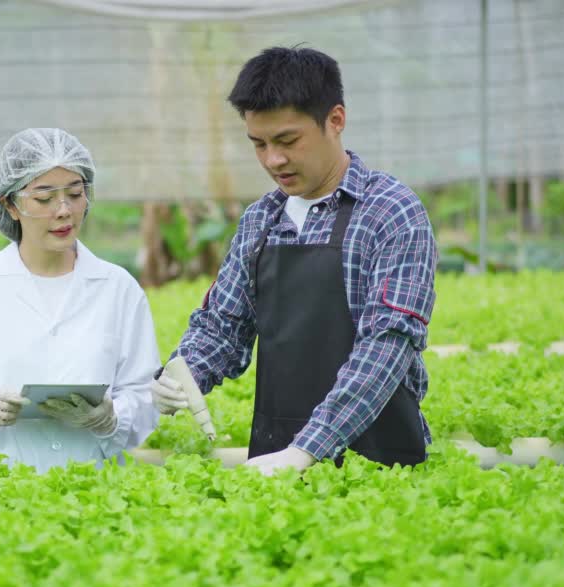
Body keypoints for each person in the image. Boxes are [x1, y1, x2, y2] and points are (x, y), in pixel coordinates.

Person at [150, 46, 437, 476]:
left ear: (335, 120)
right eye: (259, 144)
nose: (273, 160)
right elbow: (223, 327)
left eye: (287, 141)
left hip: (379, 462)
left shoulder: (390, 212)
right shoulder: (260, 220)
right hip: (275, 456)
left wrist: (306, 451)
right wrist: (182, 372)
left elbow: (387, 347)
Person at [0, 128, 160, 473]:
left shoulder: (119, 289)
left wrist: (111, 418)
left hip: (96, 492)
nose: (63, 211)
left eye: (75, 194)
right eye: (44, 199)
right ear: (10, 205)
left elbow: (143, 393)